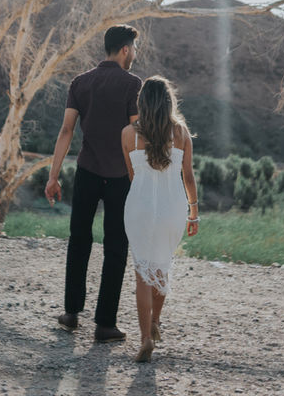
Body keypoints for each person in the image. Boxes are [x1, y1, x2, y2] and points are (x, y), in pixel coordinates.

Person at [45, 24, 142, 342]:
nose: (134, 54)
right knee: (116, 247)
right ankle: (105, 324)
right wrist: (141, 178)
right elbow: (135, 134)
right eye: (134, 49)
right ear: (125, 49)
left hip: (86, 171)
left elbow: (66, 130)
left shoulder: (80, 82)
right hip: (119, 177)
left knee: (79, 240)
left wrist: (53, 176)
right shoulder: (132, 84)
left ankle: (71, 313)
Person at [121, 75, 199, 362]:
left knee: (142, 273)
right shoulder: (181, 133)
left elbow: (133, 176)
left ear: (142, 102)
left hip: (139, 207)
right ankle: (155, 321)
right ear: (169, 102)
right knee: (161, 264)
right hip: (173, 208)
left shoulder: (128, 134)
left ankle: (144, 339)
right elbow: (188, 177)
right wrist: (194, 212)